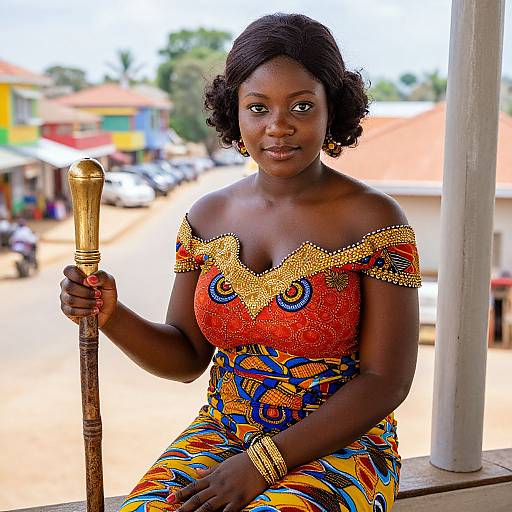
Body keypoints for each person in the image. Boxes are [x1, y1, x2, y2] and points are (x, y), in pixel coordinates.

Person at [59, 13, 421, 511]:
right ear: (235, 111)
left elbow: (387, 381)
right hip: (222, 435)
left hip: (343, 446)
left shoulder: (375, 220)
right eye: (258, 107)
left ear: (331, 108)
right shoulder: (206, 217)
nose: (278, 127)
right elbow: (187, 357)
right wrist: (111, 316)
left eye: (301, 105)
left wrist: (263, 465)